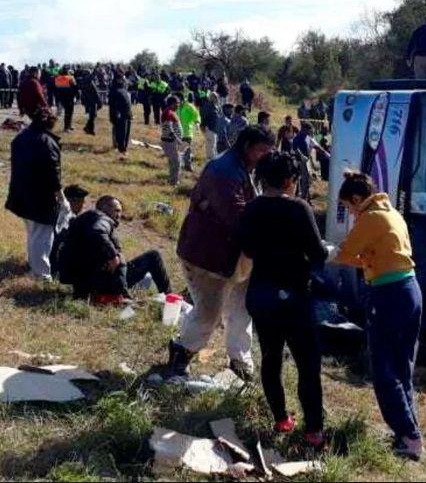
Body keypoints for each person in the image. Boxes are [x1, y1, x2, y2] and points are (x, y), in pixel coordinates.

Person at [165, 126, 276, 381]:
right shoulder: (224, 172)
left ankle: (239, 360)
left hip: (233, 255)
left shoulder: (245, 167)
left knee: (240, 309)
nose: (265, 157)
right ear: (247, 146)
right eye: (262, 151)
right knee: (209, 312)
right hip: (208, 256)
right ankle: (182, 350)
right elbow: (238, 217)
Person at [332, 171, 424, 460]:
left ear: (357, 199)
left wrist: (335, 254)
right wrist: (367, 259)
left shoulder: (370, 218)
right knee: (401, 366)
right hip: (410, 289)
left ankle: (409, 436)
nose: (350, 214)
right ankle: (409, 432)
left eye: (348, 208)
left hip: (388, 294)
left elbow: (344, 253)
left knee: (384, 368)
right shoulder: (392, 213)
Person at [238, 151, 327, 448]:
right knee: (307, 363)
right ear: (290, 180)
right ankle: (314, 430)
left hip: (261, 294)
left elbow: (248, 250)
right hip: (294, 297)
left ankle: (281, 419)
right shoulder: (299, 208)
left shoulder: (252, 208)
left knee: (271, 357)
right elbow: (317, 254)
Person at [58, 196, 171, 301]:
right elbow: (98, 232)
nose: (119, 215)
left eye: (120, 211)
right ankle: (170, 297)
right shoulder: (101, 218)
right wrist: (113, 256)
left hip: (86, 281)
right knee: (153, 256)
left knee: (146, 278)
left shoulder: (87, 220)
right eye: (116, 210)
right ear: (103, 208)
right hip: (100, 282)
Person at [5, 108, 62, 281]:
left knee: (33, 232)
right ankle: (41, 274)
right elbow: (53, 172)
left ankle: (34, 265)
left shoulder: (21, 137)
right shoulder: (47, 142)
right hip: (41, 196)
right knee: (43, 236)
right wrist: (59, 194)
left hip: (22, 192)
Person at [292, 123, 330, 201]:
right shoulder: (299, 138)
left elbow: (317, 147)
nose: (310, 131)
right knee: (302, 179)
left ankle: (304, 196)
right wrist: (302, 156)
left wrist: (326, 154)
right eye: (309, 130)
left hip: (303, 161)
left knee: (305, 179)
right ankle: (301, 197)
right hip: (300, 161)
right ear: (304, 129)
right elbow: (296, 149)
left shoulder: (306, 138)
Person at [161, 96, 184, 186]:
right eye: (177, 103)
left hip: (171, 141)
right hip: (170, 142)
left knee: (173, 162)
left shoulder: (170, 112)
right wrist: (178, 140)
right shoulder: (168, 113)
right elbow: (169, 129)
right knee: (176, 162)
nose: (178, 105)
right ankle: (174, 182)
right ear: (172, 104)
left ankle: (172, 180)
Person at [108, 77, 133, 154]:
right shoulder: (114, 91)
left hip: (127, 114)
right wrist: (113, 116)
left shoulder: (125, 91)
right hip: (120, 114)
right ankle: (121, 148)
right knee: (121, 132)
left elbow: (128, 103)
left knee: (126, 132)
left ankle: (123, 147)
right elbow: (112, 105)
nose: (125, 82)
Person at [177, 93, 201, 172]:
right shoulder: (176, 107)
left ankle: (186, 166)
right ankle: (182, 166)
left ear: (182, 99)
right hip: (178, 132)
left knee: (185, 150)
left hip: (187, 132)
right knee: (182, 150)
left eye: (177, 100)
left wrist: (197, 123)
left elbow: (196, 115)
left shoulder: (189, 106)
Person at [53, 68, 78, 132]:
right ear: (67, 72)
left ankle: (68, 126)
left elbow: (55, 88)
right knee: (69, 112)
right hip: (69, 97)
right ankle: (67, 127)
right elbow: (75, 87)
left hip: (61, 98)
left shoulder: (57, 78)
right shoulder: (70, 78)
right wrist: (76, 96)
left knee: (67, 112)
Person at [199, 92, 221, 162]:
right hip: (209, 127)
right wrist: (203, 125)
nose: (217, 99)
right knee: (211, 144)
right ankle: (211, 159)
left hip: (214, 128)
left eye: (217, 97)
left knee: (211, 144)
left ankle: (210, 158)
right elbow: (203, 116)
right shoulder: (208, 106)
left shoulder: (216, 106)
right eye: (215, 97)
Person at [79, 70, 101, 135]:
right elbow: (94, 92)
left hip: (90, 100)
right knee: (92, 115)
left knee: (92, 115)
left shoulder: (84, 81)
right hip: (92, 100)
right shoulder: (87, 81)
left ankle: (88, 128)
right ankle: (89, 129)